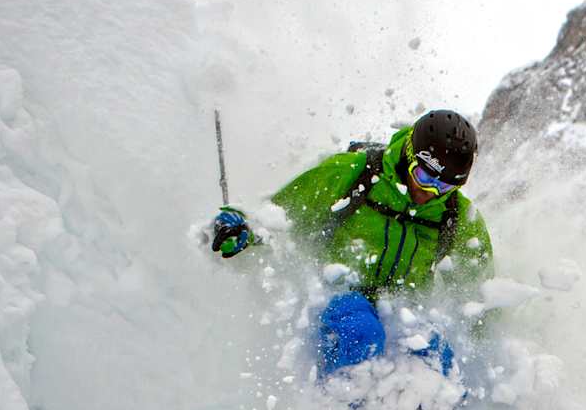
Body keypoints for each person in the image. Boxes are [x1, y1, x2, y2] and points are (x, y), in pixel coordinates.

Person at [209, 109, 494, 378]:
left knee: (436, 360)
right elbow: (280, 216)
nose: (428, 193)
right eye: (423, 176)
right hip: (336, 300)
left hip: (401, 312)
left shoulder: (457, 217)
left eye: (444, 187)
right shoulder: (354, 175)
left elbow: (478, 293)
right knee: (360, 332)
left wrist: (486, 336)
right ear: (409, 155)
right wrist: (240, 225)